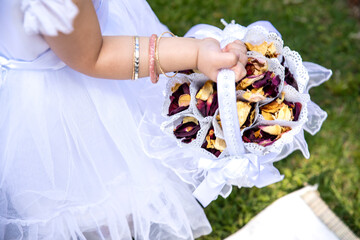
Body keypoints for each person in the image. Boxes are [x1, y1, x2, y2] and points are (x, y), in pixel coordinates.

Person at [0, 0, 248, 239]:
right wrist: (195, 53)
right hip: (75, 108)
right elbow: (93, 56)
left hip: (60, 47)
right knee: (104, 204)